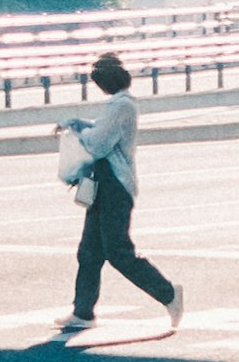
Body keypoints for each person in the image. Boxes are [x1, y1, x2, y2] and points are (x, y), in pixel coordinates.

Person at [51, 46, 184, 343]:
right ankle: (83, 312)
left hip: (115, 186)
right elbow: (98, 128)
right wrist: (76, 123)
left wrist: (77, 133)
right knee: (89, 251)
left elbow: (98, 144)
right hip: (103, 184)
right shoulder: (119, 104)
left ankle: (169, 293)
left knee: (117, 251)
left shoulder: (122, 106)